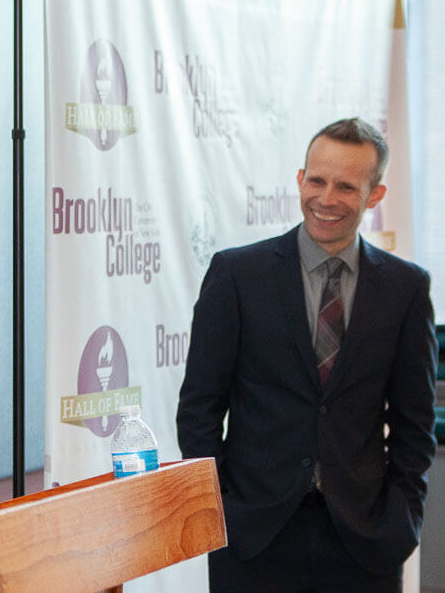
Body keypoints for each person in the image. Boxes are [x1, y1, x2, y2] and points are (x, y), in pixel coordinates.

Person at [176, 117, 437, 591]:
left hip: (365, 541)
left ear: (374, 195)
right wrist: (222, 514)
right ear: (300, 179)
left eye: (346, 186)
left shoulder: (406, 289)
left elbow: (414, 427)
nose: (326, 198)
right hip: (253, 538)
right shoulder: (237, 275)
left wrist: (401, 522)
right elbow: (199, 410)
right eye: (316, 180)